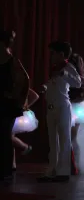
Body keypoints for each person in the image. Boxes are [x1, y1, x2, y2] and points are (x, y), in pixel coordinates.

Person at [37, 41, 81, 182]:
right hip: (52, 107)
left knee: (64, 139)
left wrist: (65, 73)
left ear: (61, 54)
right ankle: (51, 171)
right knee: (53, 140)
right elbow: (54, 83)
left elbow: (78, 83)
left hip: (63, 107)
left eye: (53, 53)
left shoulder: (68, 67)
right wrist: (45, 87)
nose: (51, 56)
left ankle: (63, 173)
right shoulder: (55, 68)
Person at [0, 29, 29, 183]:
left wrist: (15, 97)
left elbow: (25, 80)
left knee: (5, 136)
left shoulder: (12, 61)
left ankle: (6, 171)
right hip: (2, 103)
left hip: (8, 105)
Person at [12, 88, 39, 171]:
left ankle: (25, 147)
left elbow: (35, 96)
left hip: (16, 114)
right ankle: (13, 164)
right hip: (10, 113)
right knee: (10, 137)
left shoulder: (20, 85)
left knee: (8, 135)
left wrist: (24, 107)